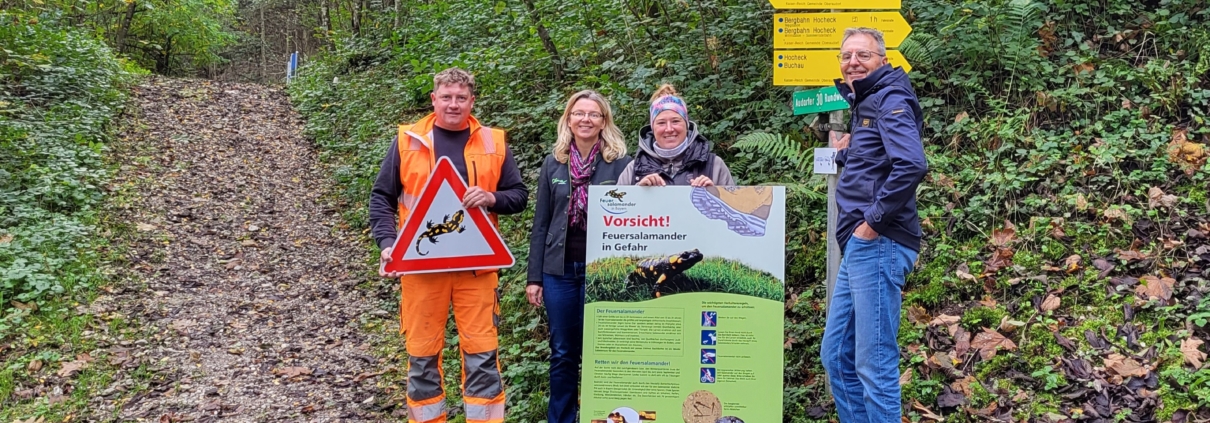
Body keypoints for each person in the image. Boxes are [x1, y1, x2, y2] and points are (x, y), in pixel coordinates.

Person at [369, 67, 528, 423]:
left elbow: (518, 197)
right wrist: (388, 243)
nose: (453, 104)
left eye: (461, 98)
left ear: (472, 101)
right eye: (446, 97)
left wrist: (490, 197)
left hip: (477, 269)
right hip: (422, 267)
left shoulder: (494, 141)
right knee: (422, 358)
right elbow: (382, 197)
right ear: (434, 99)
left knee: (483, 357)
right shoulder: (408, 139)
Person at [819, 28, 928, 423]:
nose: (853, 62)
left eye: (863, 55)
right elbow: (878, 164)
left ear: (882, 59)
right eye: (846, 56)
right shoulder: (867, 101)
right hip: (860, 246)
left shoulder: (890, 97)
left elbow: (912, 165)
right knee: (836, 356)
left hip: (879, 242)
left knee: (873, 364)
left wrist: (872, 224)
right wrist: (850, 152)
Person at [527, 90, 632, 423]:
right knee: (562, 353)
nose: (586, 119)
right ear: (568, 119)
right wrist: (534, 277)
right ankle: (562, 419)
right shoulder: (553, 162)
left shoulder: (621, 164)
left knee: (604, 351)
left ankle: (606, 417)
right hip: (559, 272)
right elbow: (541, 223)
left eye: (594, 114)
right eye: (579, 113)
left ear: (604, 122)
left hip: (602, 270)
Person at [617, 84, 735, 187]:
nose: (669, 129)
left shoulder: (714, 165)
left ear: (687, 124)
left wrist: (716, 194)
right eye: (661, 123)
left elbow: (734, 208)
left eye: (675, 121)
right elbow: (619, 210)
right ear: (652, 128)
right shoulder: (633, 169)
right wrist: (637, 195)